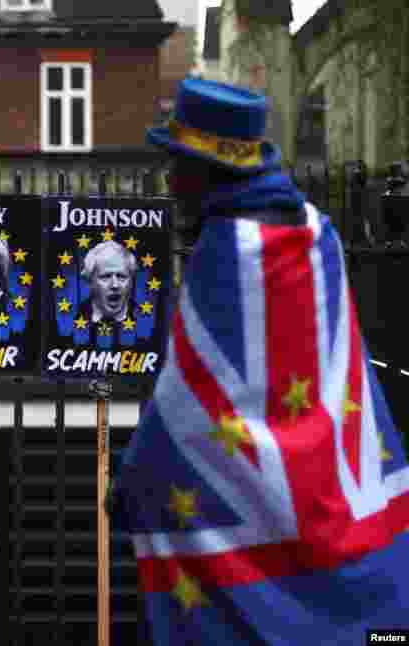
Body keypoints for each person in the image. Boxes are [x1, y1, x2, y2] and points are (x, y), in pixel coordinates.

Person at [111, 77, 409, 644]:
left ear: (210, 171)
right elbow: (339, 369)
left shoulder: (225, 250)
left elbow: (186, 402)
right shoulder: (318, 231)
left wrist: (132, 478)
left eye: (179, 165)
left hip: (247, 495)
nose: (170, 181)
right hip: (329, 484)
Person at [78, 240, 137, 325]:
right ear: (90, 281)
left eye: (121, 276)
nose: (115, 285)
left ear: (131, 282)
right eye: (106, 276)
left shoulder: (142, 316)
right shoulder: (75, 315)